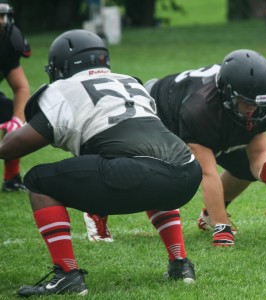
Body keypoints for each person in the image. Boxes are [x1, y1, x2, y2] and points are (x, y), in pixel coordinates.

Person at [0, 29, 203, 297]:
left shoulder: (63, 89)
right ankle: (180, 264)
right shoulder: (130, 81)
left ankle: (67, 275)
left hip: (133, 173)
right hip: (188, 172)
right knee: (152, 168)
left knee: (38, 180)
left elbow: (13, 146)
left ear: (63, 64)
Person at [84, 49, 266, 247]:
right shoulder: (200, 108)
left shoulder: (263, 105)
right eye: (245, 102)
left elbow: (257, 153)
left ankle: (211, 215)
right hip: (158, 111)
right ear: (227, 95)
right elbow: (207, 173)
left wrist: (261, 172)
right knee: (147, 175)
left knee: (244, 168)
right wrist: (223, 229)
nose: (253, 109)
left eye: (257, 103)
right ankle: (97, 209)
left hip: (213, 116)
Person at [0, 0, 31, 192]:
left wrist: (17, 120)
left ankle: (11, 178)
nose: (2, 22)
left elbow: (21, 87)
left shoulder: (9, 42)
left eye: (3, 17)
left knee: (12, 110)